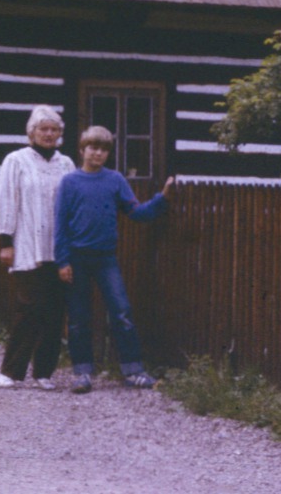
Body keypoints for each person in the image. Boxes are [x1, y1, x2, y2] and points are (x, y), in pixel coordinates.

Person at [55, 125, 175, 393]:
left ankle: (134, 371)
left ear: (108, 153)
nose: (97, 153)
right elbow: (60, 225)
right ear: (82, 149)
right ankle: (82, 374)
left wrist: (161, 199)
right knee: (78, 318)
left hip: (105, 259)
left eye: (103, 149)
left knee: (122, 313)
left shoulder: (115, 180)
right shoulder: (69, 182)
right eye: (93, 148)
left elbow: (136, 212)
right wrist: (62, 262)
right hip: (76, 259)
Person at [0, 105, 76, 390]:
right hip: (28, 246)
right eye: (43, 129)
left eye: (54, 129)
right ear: (32, 132)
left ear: (60, 134)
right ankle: (11, 371)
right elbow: (7, 200)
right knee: (28, 309)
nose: (49, 134)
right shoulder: (16, 161)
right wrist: (6, 242)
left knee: (54, 312)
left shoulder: (66, 164)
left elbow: (73, 204)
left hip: (59, 249)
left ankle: (44, 372)